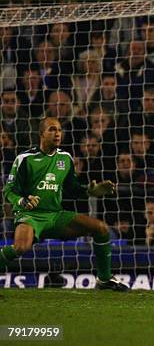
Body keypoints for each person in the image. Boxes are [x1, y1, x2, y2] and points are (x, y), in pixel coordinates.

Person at [0, 117, 127, 291]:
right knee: (21, 247)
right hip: (30, 216)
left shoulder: (65, 158)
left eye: (59, 130)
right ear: (42, 134)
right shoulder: (25, 159)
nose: (57, 133)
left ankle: (104, 279)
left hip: (55, 215)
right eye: (52, 129)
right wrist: (23, 201)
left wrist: (91, 191)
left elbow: (72, 189)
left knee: (101, 229)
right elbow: (9, 190)